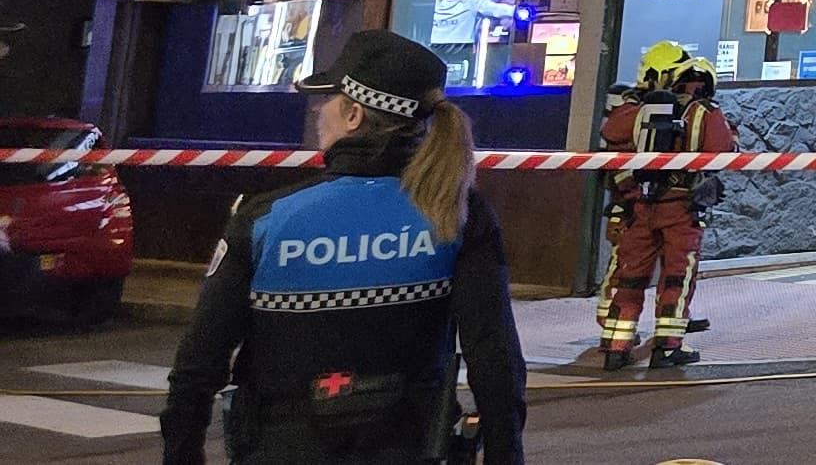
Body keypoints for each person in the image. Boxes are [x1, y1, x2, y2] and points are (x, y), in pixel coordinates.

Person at [163, 28, 526, 465]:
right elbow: (495, 358)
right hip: (409, 449)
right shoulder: (457, 215)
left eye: (326, 101)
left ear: (354, 114)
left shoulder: (265, 219)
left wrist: (181, 454)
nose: (317, 112)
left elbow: (199, 364)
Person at [597, 57, 738, 368]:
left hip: (642, 204)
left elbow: (611, 130)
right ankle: (669, 347)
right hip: (682, 206)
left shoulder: (645, 109)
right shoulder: (706, 113)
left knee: (631, 276)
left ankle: (616, 347)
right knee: (677, 276)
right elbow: (724, 151)